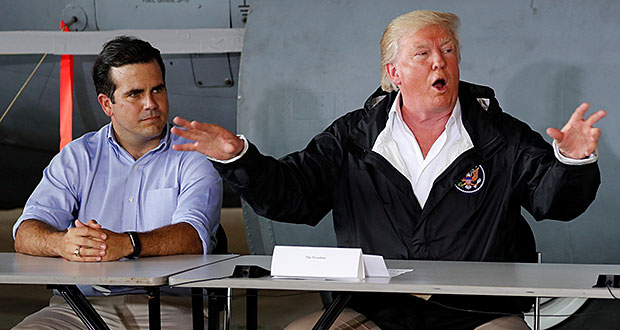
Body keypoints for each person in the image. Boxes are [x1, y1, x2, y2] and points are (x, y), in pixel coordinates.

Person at [171, 10, 605, 330]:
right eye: (424, 53)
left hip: (480, 313)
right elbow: (293, 194)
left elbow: (555, 200)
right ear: (394, 73)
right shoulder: (353, 137)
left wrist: (572, 160)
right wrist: (239, 158)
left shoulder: (499, 135)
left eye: (448, 51)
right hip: (376, 310)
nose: (440, 62)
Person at [12, 36, 222, 329]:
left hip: (172, 308)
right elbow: (25, 232)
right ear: (106, 104)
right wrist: (63, 242)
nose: (151, 104)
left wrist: (128, 244)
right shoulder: (78, 157)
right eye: (135, 94)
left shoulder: (194, 157)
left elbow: (194, 237)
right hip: (80, 308)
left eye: (157, 89)